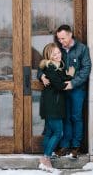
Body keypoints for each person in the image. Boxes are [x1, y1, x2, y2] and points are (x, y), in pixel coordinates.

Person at [38, 24, 91, 159]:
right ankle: (64, 145)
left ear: (70, 34)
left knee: (76, 117)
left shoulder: (82, 49)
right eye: (59, 39)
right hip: (60, 92)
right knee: (65, 117)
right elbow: (44, 63)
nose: (61, 41)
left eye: (63, 38)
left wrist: (73, 83)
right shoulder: (57, 48)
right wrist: (41, 76)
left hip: (76, 90)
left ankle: (75, 146)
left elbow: (86, 69)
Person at [38, 42, 74, 172]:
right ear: (49, 56)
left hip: (52, 104)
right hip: (53, 105)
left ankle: (45, 157)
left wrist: (68, 75)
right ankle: (46, 158)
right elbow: (59, 84)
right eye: (55, 54)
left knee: (49, 132)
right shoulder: (51, 68)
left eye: (59, 52)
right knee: (58, 133)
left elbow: (61, 78)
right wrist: (70, 83)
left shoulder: (57, 67)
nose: (58, 55)